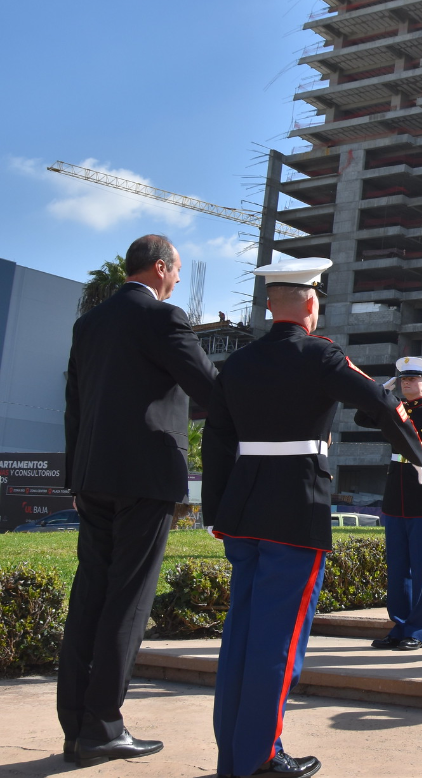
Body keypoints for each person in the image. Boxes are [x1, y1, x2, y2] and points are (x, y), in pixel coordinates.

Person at [202, 258, 422, 778]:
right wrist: (415, 452)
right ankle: (259, 755)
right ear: (310, 303)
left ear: (268, 305)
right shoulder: (321, 355)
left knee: (241, 637)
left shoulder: (237, 363)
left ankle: (233, 754)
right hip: (295, 506)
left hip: (242, 510)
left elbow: (217, 441)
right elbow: (381, 401)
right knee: (278, 639)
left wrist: (217, 511)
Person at [59, 234, 217, 767]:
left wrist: (75, 479)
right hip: (145, 477)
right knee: (129, 600)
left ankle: (76, 727)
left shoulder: (89, 323)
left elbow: (74, 406)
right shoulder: (164, 317)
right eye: (176, 270)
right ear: (161, 268)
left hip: (92, 477)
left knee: (89, 597)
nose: (178, 279)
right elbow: (208, 386)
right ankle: (103, 727)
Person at [355, 356, 422, 651]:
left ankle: (417, 630)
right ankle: (399, 626)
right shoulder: (394, 408)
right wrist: (382, 392)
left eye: (412, 380)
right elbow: (361, 419)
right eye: (403, 380)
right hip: (395, 495)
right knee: (397, 568)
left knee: (421, 569)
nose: (406, 384)